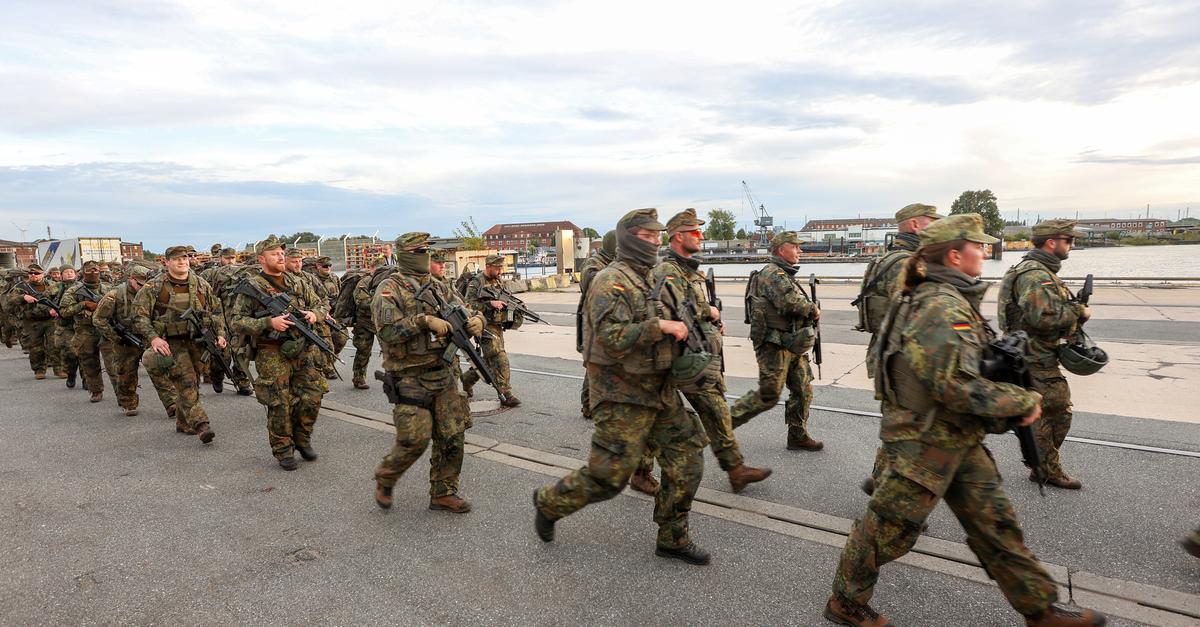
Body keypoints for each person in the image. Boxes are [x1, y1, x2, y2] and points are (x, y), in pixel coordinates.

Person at [826, 214, 1105, 627]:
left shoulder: (949, 297)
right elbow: (953, 386)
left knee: (995, 523)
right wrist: (1018, 400)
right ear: (955, 255)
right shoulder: (940, 305)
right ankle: (845, 603)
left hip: (955, 434)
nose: (985, 251)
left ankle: (1039, 609)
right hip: (923, 441)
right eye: (977, 246)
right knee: (889, 530)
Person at [532, 209, 710, 565]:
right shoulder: (611, 281)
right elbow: (612, 339)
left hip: (657, 388)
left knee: (688, 455)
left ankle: (672, 536)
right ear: (630, 238)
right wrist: (660, 328)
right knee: (609, 477)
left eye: (658, 236)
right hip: (620, 394)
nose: (657, 241)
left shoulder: (650, 277)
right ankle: (551, 503)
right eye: (648, 236)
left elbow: (677, 311)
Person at [653, 209, 772, 492]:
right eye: (695, 232)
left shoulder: (687, 269)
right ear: (678, 236)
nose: (701, 236)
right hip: (682, 358)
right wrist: (710, 311)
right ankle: (735, 469)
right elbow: (674, 310)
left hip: (698, 354)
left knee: (714, 411)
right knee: (714, 411)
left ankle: (735, 469)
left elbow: (692, 310)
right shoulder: (668, 270)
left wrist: (712, 322)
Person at [370, 233, 483, 513]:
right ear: (405, 254)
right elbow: (387, 331)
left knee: (452, 436)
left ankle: (443, 493)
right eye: (420, 250)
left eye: (427, 250)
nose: (426, 255)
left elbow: (465, 309)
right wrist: (423, 321)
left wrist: (476, 320)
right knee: (414, 439)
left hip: (443, 373)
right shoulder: (389, 288)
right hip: (409, 376)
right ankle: (386, 476)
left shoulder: (439, 286)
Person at [855, 203, 944, 495]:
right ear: (916, 225)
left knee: (902, 427)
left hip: (888, 351)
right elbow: (914, 314)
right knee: (910, 429)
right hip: (903, 357)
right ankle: (893, 504)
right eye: (932, 221)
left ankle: (882, 479)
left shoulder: (887, 259)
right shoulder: (909, 263)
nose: (937, 226)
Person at [998, 219, 1091, 490]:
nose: (1072, 246)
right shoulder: (1035, 274)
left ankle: (1042, 464)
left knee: (1054, 410)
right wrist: (1079, 312)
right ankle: (1044, 467)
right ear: (1052, 242)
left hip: (1038, 354)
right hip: (1032, 356)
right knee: (1052, 410)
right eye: (1068, 240)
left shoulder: (1039, 271)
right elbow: (1044, 318)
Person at [228, 238, 329, 470]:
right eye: (274, 254)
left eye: (282, 253)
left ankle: (302, 439)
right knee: (279, 403)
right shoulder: (253, 286)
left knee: (313, 395)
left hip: (302, 348)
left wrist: (315, 314)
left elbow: (321, 304)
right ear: (261, 259)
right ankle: (283, 449)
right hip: (271, 352)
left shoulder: (297, 281)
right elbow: (236, 321)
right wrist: (268, 322)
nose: (281, 257)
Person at [728, 231, 823, 451]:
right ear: (781, 250)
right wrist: (813, 309)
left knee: (803, 388)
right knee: (768, 395)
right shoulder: (772, 274)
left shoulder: (783, 274)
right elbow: (790, 303)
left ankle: (797, 435)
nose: (800, 250)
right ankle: (722, 425)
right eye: (795, 246)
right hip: (773, 345)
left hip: (789, 343)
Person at [130, 245, 226, 444]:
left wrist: (220, 334)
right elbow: (139, 317)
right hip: (170, 343)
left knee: (194, 381)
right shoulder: (154, 287)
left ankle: (183, 422)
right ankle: (201, 425)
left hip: (197, 341)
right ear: (167, 262)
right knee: (187, 380)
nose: (182, 262)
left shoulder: (200, 284)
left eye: (185, 258)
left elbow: (216, 311)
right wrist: (153, 338)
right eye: (177, 259)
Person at [94, 262, 177, 417]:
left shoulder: (151, 292)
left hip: (147, 337)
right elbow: (99, 319)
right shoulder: (114, 295)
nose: (143, 286)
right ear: (131, 279)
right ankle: (129, 403)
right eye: (139, 283)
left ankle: (171, 403)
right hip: (123, 340)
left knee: (158, 369)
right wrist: (115, 337)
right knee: (126, 373)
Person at [461, 254, 520, 407]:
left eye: (501, 268)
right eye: (497, 268)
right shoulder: (476, 282)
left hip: (497, 326)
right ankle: (506, 394)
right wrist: (490, 304)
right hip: (484, 325)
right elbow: (468, 306)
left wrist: (516, 306)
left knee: (487, 361)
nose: (500, 271)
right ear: (488, 266)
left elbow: (506, 297)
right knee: (500, 359)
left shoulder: (498, 280)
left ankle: (466, 380)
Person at [58, 261, 115, 403]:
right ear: (83, 273)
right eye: (89, 271)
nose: (93, 273)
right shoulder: (74, 290)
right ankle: (96, 391)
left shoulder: (108, 288)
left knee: (113, 364)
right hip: (85, 331)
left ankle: (123, 394)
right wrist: (83, 305)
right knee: (89, 363)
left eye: (96, 271)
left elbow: (118, 307)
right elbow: (64, 311)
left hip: (106, 329)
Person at [576, 230, 616, 419]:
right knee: (595, 365)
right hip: (594, 321)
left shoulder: (612, 263)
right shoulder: (594, 264)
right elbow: (592, 283)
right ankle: (588, 405)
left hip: (608, 320)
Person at [7, 264, 59, 379]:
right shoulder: (21, 287)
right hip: (31, 321)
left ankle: (59, 369)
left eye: (37, 273)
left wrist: (56, 310)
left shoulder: (53, 286)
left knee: (55, 344)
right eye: (31, 273)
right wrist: (23, 297)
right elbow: (9, 301)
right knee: (35, 347)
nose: (34, 275)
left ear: (43, 274)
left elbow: (61, 299)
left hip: (51, 320)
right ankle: (39, 369)